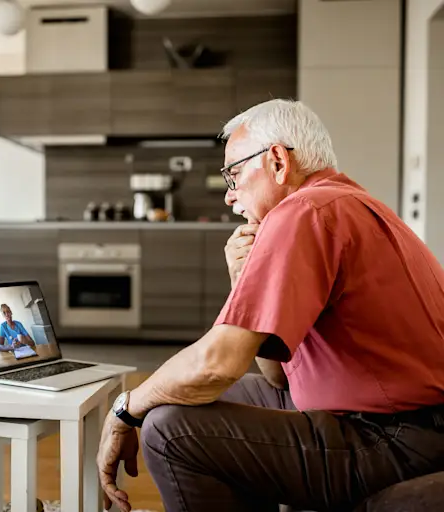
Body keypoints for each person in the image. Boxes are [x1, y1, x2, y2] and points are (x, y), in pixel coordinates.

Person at [96, 99, 444, 512]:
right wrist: (245, 282)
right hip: (401, 421)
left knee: (169, 429)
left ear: (277, 160)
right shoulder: (343, 202)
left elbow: (217, 363)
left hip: (395, 436)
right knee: (179, 400)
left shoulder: (305, 211)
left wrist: (125, 408)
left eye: (234, 174)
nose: (229, 197)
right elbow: (278, 377)